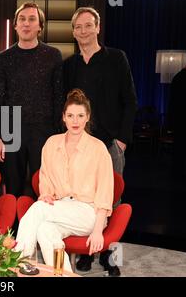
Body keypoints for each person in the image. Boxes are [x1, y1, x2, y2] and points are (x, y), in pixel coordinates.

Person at [63, 7, 137, 276]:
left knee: (112, 201)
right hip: (79, 145)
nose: (83, 31)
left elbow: (130, 100)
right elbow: (65, 105)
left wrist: (122, 141)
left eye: (87, 25)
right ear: (73, 32)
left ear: (97, 27)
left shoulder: (117, 58)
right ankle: (86, 252)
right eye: (78, 27)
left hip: (109, 145)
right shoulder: (69, 65)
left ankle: (111, 255)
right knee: (82, 199)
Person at [15, 89, 114, 273]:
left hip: (89, 213)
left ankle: (20, 265)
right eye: (70, 115)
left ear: (87, 117)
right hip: (59, 209)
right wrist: (45, 193)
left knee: (38, 209)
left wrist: (98, 229)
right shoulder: (52, 143)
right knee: (44, 230)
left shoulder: (98, 148)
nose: (75, 121)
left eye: (80, 115)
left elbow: (105, 192)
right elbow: (44, 177)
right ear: (63, 117)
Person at [0, 2, 63, 199]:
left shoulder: (53, 56)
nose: (26, 24)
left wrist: (59, 137)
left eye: (32, 19)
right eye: (22, 19)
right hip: (11, 133)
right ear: (15, 25)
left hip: (45, 132)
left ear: (40, 26)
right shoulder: (3, 58)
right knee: (13, 189)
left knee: (45, 188)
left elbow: (59, 98)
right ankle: (14, 230)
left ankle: (40, 230)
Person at [169, 54, 186, 178]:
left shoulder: (178, 77)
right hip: (184, 120)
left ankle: (178, 172)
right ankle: (178, 173)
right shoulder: (184, 79)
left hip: (179, 120)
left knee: (179, 149)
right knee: (181, 149)